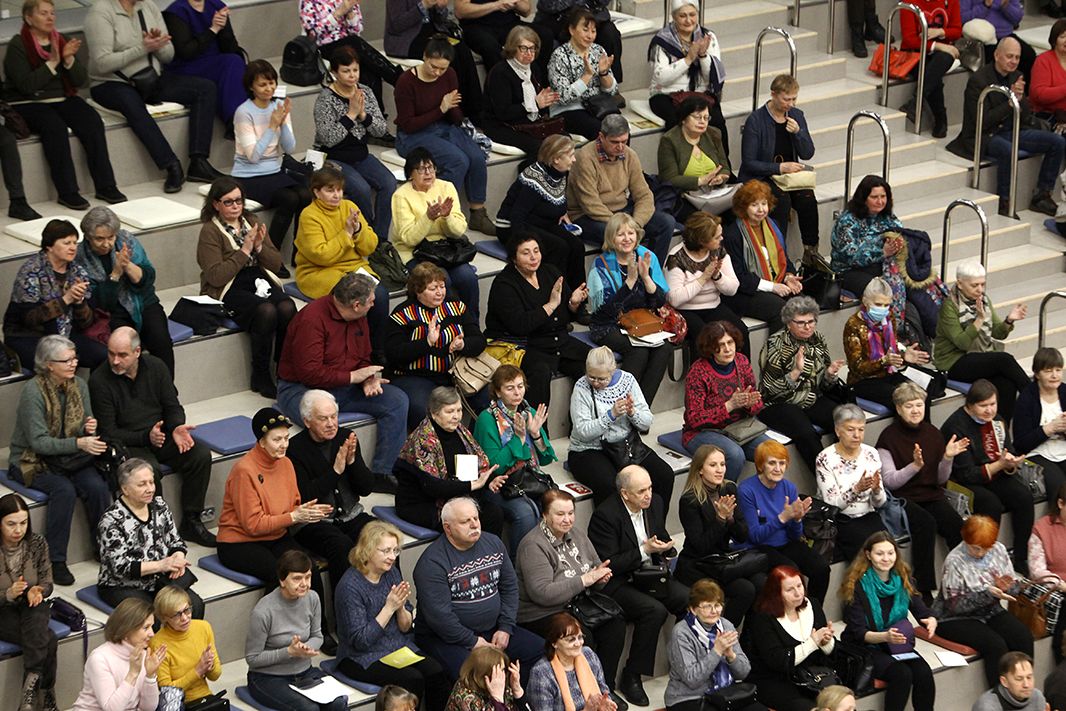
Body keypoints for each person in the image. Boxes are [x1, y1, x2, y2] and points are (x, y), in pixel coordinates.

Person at [276, 272, 409, 487]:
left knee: (397, 400)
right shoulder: (311, 320)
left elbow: (363, 355)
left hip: (345, 385)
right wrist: (353, 377)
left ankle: (383, 473)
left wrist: (368, 378)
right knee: (322, 416)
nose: (374, 304)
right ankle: (327, 482)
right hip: (301, 389)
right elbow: (309, 373)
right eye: (371, 301)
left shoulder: (360, 317)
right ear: (356, 305)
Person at [89, 327, 214, 546]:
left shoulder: (156, 367)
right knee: (148, 472)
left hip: (161, 435)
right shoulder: (99, 380)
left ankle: (192, 520)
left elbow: (172, 406)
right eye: (111, 353)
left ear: (137, 352)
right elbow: (109, 432)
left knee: (200, 455)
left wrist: (176, 427)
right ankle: (157, 530)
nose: (115, 361)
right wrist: (146, 437)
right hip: (129, 443)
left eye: (122, 355)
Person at [85, 0, 223, 193]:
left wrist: (158, 46)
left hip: (151, 78)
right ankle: (171, 165)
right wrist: (142, 48)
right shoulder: (100, 12)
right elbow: (102, 63)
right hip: (111, 83)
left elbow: (168, 56)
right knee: (132, 103)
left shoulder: (148, 7)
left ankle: (198, 161)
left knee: (205, 88)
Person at [7, 335, 111, 586]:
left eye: (74, 358)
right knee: (63, 490)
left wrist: (89, 428)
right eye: (67, 360)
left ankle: (103, 547)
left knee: (97, 487)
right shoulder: (33, 392)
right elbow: (39, 443)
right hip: (32, 459)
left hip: (69, 458)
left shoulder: (79, 385)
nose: (74, 364)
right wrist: (79, 443)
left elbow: (86, 425)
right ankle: (55, 560)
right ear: (49, 365)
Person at [4, 0, 124, 210]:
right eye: (43, 13)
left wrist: (68, 60)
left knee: (91, 120)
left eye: (52, 13)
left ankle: (106, 185)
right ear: (29, 18)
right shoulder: (18, 45)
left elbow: (80, 82)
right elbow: (26, 86)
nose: (50, 18)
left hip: (62, 98)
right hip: (28, 102)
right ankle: (67, 192)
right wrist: (52, 62)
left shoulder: (61, 40)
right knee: (54, 127)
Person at [216, 408, 333, 623]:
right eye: (277, 439)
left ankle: (320, 631)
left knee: (308, 569)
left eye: (286, 438)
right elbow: (253, 525)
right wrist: (294, 517)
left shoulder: (286, 464)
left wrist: (306, 512)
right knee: (279, 574)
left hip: (275, 535)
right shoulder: (244, 470)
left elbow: (292, 504)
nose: (284, 444)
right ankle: (273, 633)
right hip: (239, 543)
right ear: (261, 441)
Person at [588, 465, 689, 707]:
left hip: (649, 573)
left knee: (688, 599)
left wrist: (666, 547)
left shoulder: (655, 503)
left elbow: (660, 534)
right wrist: (645, 550)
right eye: (641, 491)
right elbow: (610, 563)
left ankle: (686, 661)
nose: (648, 495)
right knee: (654, 610)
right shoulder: (605, 516)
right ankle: (632, 675)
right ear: (625, 494)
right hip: (618, 581)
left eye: (650, 488)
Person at [413, 497, 544, 682]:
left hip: (493, 629)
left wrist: (505, 628)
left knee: (540, 651)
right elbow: (440, 618)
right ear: (447, 528)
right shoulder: (432, 563)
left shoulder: (494, 543)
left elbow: (509, 587)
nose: (474, 525)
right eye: (465, 521)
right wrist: (472, 641)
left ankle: (515, 695)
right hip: (446, 638)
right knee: (474, 672)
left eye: (476, 518)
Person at [515, 489, 625, 707]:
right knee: (582, 636)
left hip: (575, 603)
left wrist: (600, 577)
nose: (567, 519)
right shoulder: (533, 545)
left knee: (615, 624)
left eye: (571, 513)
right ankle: (583, 697)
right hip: (541, 612)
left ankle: (605, 690)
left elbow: (594, 567)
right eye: (560, 514)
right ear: (544, 515)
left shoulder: (577, 534)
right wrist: (585, 580)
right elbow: (542, 593)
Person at [334, 521, 451, 708]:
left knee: (435, 672)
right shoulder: (350, 587)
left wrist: (401, 608)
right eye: (386, 551)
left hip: (396, 646)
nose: (392, 557)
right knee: (412, 679)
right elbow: (361, 641)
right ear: (367, 550)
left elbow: (405, 628)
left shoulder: (392, 573)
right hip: (360, 657)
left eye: (395, 550)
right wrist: (388, 608)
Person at [197, 178, 295, 398]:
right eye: (228, 202)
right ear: (216, 204)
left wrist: (259, 246)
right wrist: (244, 251)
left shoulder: (252, 220)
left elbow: (275, 264)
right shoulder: (210, 231)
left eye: (239, 201)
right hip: (228, 286)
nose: (235, 206)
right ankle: (260, 373)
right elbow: (216, 276)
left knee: (287, 306)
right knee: (266, 311)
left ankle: (283, 369)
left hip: (258, 278)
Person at [947, 37, 1065, 216]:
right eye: (1009, 56)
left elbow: (1025, 117)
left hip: (1011, 129)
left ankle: (1043, 194)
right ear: (997, 55)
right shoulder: (978, 80)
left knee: (1057, 142)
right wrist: (1010, 103)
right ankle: (1004, 201)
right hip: (984, 134)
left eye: (1017, 57)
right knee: (1007, 150)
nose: (1014, 61)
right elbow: (981, 121)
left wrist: (1021, 99)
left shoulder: (1016, 76)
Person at [393, 37, 496, 235]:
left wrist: (458, 117)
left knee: (476, 156)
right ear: (425, 57)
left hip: (442, 126)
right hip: (412, 135)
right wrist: (441, 108)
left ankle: (478, 213)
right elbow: (408, 124)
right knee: (458, 160)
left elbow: (453, 111)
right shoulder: (406, 82)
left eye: (442, 68)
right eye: (434, 67)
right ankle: (444, 214)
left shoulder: (449, 74)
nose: (437, 73)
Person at [877, 382, 969, 598]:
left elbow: (940, 479)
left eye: (919, 405)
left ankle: (960, 580)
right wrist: (914, 466)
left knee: (957, 525)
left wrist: (947, 458)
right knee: (926, 524)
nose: (915, 410)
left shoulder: (933, 433)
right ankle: (923, 589)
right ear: (899, 409)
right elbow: (890, 482)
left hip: (931, 493)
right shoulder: (888, 438)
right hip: (902, 498)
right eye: (909, 406)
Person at [484, 228, 591, 408]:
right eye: (526, 253)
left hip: (556, 340)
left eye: (536, 251)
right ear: (514, 258)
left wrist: (573, 303)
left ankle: (583, 419)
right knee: (540, 371)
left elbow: (563, 317)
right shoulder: (504, 284)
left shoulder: (550, 272)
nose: (533, 257)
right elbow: (520, 325)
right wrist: (550, 305)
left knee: (592, 361)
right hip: (524, 345)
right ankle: (537, 424)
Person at [942, 380, 1036, 573]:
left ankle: (1021, 557)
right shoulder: (955, 427)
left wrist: (1011, 463)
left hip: (995, 473)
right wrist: (1000, 465)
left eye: (993, 404)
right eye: (983, 405)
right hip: (965, 481)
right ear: (970, 405)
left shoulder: (997, 421)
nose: (989, 410)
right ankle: (986, 561)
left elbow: (1007, 451)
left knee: (1024, 496)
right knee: (990, 503)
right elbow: (966, 473)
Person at [838, 532, 937, 711]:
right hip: (866, 646)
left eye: (890, 553)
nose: (886, 558)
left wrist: (931, 620)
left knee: (923, 672)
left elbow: (922, 611)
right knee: (902, 674)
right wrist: (885, 637)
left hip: (896, 644)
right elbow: (859, 633)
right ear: (868, 555)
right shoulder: (857, 585)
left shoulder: (902, 578)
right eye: (879, 553)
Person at [568, 346, 676, 509]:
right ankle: (610, 525)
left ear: (612, 371)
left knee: (664, 475)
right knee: (610, 485)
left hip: (625, 446)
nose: (596, 382)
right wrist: (610, 415)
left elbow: (646, 422)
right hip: (588, 450)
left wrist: (632, 413)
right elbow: (583, 431)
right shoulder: (581, 387)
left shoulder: (627, 380)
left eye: (601, 379)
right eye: (591, 377)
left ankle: (655, 522)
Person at [385, 262, 490, 428]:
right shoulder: (403, 314)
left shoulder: (456, 307)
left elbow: (479, 340)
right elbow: (394, 353)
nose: (440, 292)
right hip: (415, 376)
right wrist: (426, 342)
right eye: (433, 288)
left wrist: (463, 344)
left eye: (442, 286)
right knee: (425, 408)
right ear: (418, 290)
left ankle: (472, 441)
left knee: (488, 398)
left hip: (455, 373)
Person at [932, 515, 1034, 687]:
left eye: (986, 548)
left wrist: (1008, 587)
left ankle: (1024, 688)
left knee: (1022, 636)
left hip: (990, 610)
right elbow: (955, 606)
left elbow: (1015, 585)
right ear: (966, 540)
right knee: (995, 645)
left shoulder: (998, 549)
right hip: (953, 618)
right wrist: (989, 594)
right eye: (976, 548)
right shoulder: (954, 560)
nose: (981, 553)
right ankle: (998, 695)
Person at [96, 458, 204, 615]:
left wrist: (177, 559)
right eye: (142, 484)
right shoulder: (111, 520)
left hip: (160, 579)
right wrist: (161, 565)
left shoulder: (159, 505)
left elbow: (176, 541)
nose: (150, 489)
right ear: (125, 489)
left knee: (194, 605)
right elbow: (120, 567)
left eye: (151, 482)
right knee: (153, 615)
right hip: (123, 585)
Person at [394, 387, 506, 536]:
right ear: (434, 414)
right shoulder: (423, 440)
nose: (456, 416)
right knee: (463, 521)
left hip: (455, 495)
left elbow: (475, 465)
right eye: (450, 411)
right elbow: (433, 487)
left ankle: (489, 551)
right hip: (424, 503)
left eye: (459, 410)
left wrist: (488, 481)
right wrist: (473, 485)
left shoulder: (460, 432)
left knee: (494, 513)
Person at [232, 59, 313, 263]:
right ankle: (271, 257)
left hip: (274, 170)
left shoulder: (278, 106)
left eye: (271, 83)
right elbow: (253, 156)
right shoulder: (243, 112)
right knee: (289, 199)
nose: (269, 88)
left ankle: (299, 254)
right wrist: (272, 126)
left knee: (305, 194)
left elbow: (290, 148)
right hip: (248, 175)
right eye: (262, 84)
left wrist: (283, 122)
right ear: (251, 87)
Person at [75, 207, 173, 377]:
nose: (107, 244)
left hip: (143, 302)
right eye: (99, 239)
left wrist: (127, 265)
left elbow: (148, 278)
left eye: (111, 237)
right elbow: (101, 303)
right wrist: (115, 273)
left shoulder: (126, 240)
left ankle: (167, 388)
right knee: (123, 347)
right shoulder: (81, 257)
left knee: (160, 339)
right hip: (111, 313)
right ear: (88, 237)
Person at [586, 212, 672, 406]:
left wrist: (646, 277)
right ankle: (621, 406)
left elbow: (658, 302)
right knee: (638, 351)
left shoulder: (646, 257)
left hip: (639, 322)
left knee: (664, 349)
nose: (627, 239)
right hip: (608, 325)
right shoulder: (602, 264)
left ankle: (641, 408)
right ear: (611, 238)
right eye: (620, 234)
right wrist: (630, 282)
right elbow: (604, 311)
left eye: (631, 233)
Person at [288, 389, 376, 576]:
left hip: (350, 516)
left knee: (383, 538)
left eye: (334, 416)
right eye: (323, 419)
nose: (331, 424)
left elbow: (366, 488)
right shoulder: (295, 450)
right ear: (307, 421)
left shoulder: (346, 437)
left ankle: (394, 593)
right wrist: (335, 471)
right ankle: (345, 595)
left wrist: (353, 463)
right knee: (341, 546)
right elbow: (305, 496)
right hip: (314, 522)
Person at [676, 445, 767, 625]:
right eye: (713, 465)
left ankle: (750, 636)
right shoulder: (689, 500)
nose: (720, 470)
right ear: (700, 469)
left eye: (722, 464)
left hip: (721, 559)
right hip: (697, 564)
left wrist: (730, 518)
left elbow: (742, 536)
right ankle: (723, 634)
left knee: (761, 582)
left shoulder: (729, 489)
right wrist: (720, 519)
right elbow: (701, 545)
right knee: (745, 590)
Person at [293, 165, 390, 334]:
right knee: (354, 295)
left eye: (339, 190)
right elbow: (321, 256)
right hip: (320, 272)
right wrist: (346, 234)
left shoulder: (349, 206)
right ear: (316, 192)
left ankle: (377, 346)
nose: (336, 195)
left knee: (380, 295)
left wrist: (358, 230)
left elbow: (369, 247)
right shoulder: (309, 215)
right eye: (330, 190)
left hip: (354, 267)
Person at [245, 550, 346, 711]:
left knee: (339, 702)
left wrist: (305, 648)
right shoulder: (263, 611)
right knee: (309, 709)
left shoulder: (312, 598)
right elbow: (252, 658)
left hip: (304, 672)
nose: (304, 583)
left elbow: (317, 635)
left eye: (308, 577)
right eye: (297, 578)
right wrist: (289, 652)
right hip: (268, 677)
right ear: (282, 580)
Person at [567, 115, 675, 264]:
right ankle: (624, 274)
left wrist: (636, 224)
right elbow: (590, 204)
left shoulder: (629, 154)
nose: (620, 147)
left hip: (622, 211)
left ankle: (650, 272)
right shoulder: (585, 158)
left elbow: (644, 195)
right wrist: (624, 226)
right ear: (601, 137)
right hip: (587, 216)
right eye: (615, 142)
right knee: (619, 235)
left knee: (666, 222)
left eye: (624, 141)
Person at [312, 46, 397, 237]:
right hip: (334, 158)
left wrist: (363, 115)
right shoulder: (325, 99)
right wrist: (351, 115)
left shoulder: (365, 91)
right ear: (334, 73)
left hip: (361, 155)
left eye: (355, 70)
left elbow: (381, 129)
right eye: (346, 71)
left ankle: (380, 238)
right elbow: (328, 138)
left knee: (389, 182)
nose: (352, 75)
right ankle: (367, 235)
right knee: (361, 189)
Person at [757, 296, 847, 474]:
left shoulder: (817, 339)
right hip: (779, 403)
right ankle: (826, 478)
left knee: (843, 421)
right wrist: (795, 372)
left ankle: (849, 471)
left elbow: (823, 386)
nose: (807, 327)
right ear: (788, 323)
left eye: (811, 321)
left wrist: (829, 375)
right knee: (806, 434)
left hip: (810, 397)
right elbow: (768, 391)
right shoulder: (775, 345)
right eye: (801, 323)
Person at [3, 219, 107, 371]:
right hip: (30, 336)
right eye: (66, 243)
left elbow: (86, 323)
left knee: (103, 356)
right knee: (58, 363)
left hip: (66, 334)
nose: (73, 248)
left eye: (75, 243)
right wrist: (66, 299)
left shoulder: (78, 272)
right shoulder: (31, 271)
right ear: (49, 246)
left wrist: (79, 303)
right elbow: (29, 319)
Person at [472, 365, 554, 557]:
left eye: (520, 386)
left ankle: (554, 557)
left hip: (529, 479)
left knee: (557, 504)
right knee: (525, 513)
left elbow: (546, 458)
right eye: (510, 388)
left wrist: (535, 435)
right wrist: (518, 439)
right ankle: (521, 564)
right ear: (498, 392)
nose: (517, 392)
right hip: (499, 484)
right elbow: (496, 467)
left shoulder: (528, 411)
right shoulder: (487, 419)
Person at [934, 260, 1031, 422]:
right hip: (954, 362)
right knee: (1004, 359)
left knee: (1007, 384)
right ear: (960, 283)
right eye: (974, 285)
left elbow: (998, 333)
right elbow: (962, 343)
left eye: (982, 284)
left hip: (980, 357)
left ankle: (1001, 430)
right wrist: (979, 320)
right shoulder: (949, 306)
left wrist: (1009, 320)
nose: (980, 289)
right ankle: (1035, 398)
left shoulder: (984, 300)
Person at [739, 74, 819, 264]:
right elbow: (749, 162)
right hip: (763, 175)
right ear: (773, 95)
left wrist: (798, 133)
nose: (790, 104)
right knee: (781, 201)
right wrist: (779, 167)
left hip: (788, 176)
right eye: (786, 99)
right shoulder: (756, 120)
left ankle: (811, 252)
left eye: (793, 99)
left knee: (807, 199)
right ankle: (780, 254)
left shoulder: (796, 115)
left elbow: (808, 153)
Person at [736, 441, 830, 601]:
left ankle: (813, 611)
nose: (778, 468)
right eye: (772, 463)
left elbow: (795, 536)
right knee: (791, 572)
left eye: (782, 463)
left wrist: (797, 520)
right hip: (758, 548)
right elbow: (755, 537)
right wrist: (782, 518)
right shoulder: (746, 490)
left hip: (785, 543)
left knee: (821, 568)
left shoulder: (789, 488)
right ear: (761, 465)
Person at [390, 147, 481, 312]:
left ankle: (470, 323)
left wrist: (447, 217)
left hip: (445, 249)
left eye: (430, 167)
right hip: (415, 252)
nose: (428, 173)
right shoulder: (401, 195)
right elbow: (409, 239)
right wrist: (428, 218)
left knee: (468, 278)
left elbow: (459, 231)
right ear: (410, 174)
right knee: (442, 281)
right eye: (421, 169)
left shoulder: (446, 187)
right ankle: (445, 323)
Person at [684, 319, 771, 479]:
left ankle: (760, 492)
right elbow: (694, 419)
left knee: (772, 452)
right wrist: (729, 405)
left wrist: (749, 404)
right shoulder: (698, 372)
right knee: (734, 455)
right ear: (710, 348)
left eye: (730, 342)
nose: (728, 349)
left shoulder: (742, 361)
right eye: (721, 345)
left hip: (739, 427)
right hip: (703, 432)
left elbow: (756, 402)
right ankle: (725, 493)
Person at [495, 139, 586, 291]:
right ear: (556, 159)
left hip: (540, 222)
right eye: (570, 155)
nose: (574, 159)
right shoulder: (534, 179)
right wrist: (521, 244)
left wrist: (561, 213)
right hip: (512, 227)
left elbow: (557, 201)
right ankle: (558, 294)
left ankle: (578, 296)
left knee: (577, 245)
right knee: (559, 247)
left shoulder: (562, 172)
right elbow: (517, 215)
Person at [744, 565, 836, 711]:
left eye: (799, 586)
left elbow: (828, 653)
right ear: (776, 593)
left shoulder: (813, 604)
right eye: (789, 590)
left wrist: (826, 642)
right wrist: (812, 643)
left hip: (810, 675)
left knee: (841, 701)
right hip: (775, 680)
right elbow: (777, 661)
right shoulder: (762, 618)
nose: (798, 593)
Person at [664, 578, 765, 711]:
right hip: (688, 697)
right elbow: (692, 680)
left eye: (717, 605)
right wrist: (717, 651)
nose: (714, 611)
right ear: (693, 609)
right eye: (707, 606)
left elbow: (743, 673)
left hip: (724, 693)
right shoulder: (681, 633)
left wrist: (731, 655)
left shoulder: (726, 625)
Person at [721, 180, 803, 333]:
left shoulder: (774, 226)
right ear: (744, 207)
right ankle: (777, 349)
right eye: (754, 205)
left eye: (764, 204)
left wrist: (788, 277)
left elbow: (784, 258)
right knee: (782, 310)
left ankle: (800, 348)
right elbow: (739, 276)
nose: (761, 209)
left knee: (803, 304)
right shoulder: (733, 234)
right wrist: (772, 287)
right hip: (746, 292)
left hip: (775, 282)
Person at [0, 493, 57, 711]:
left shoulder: (37, 542)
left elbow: (47, 580)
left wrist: (38, 589)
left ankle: (30, 694)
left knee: (38, 607)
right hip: (2, 611)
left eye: (23, 523)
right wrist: (8, 594)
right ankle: (45, 696)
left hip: (29, 608)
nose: (18, 530)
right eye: (11, 524)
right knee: (48, 639)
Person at [648, 2, 729, 151]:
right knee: (676, 120)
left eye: (692, 15)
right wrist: (688, 59)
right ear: (674, 17)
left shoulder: (708, 37)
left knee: (717, 121)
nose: (688, 20)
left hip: (700, 93)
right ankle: (678, 162)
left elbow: (712, 78)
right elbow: (661, 77)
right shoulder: (662, 41)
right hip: (667, 94)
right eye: (682, 16)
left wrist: (703, 56)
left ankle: (722, 163)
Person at [843, 277, 931, 410]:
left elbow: (892, 351)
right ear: (865, 301)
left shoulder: (888, 317)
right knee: (903, 399)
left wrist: (904, 356)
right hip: (863, 381)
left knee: (922, 395)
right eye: (878, 304)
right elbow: (857, 367)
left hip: (888, 374)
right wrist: (884, 361)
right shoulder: (853, 325)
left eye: (886, 305)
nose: (883, 309)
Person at [664, 212, 747, 354]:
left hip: (714, 305)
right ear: (702, 240)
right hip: (686, 310)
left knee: (740, 331)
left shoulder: (718, 251)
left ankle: (742, 367)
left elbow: (733, 289)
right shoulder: (676, 257)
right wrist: (703, 278)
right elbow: (674, 299)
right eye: (717, 237)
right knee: (704, 338)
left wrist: (717, 276)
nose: (722, 238)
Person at [384, 0, 483, 120]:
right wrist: (423, 5)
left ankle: (474, 110)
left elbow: (441, 20)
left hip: (433, 32)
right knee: (445, 55)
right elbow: (396, 26)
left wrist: (441, 8)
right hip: (408, 39)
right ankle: (452, 113)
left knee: (462, 49)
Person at [299, 0, 400, 116]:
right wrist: (338, 13)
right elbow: (312, 34)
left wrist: (350, 12)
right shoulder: (308, 2)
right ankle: (396, 78)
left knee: (370, 70)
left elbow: (357, 30)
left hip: (352, 45)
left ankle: (377, 117)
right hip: (325, 46)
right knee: (356, 44)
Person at [815, 404, 889, 562]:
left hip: (870, 516)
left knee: (887, 550)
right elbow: (832, 505)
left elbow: (880, 503)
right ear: (838, 431)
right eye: (850, 430)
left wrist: (876, 490)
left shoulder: (871, 454)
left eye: (861, 429)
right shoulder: (825, 458)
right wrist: (856, 489)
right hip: (842, 520)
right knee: (870, 554)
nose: (857, 435)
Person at [162, 0, 246, 128]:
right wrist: (213, 30)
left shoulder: (216, 6)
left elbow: (230, 48)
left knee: (236, 62)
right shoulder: (176, 11)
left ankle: (242, 119)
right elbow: (186, 52)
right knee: (231, 63)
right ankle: (236, 122)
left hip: (215, 63)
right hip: (186, 67)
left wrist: (223, 29)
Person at [481, 25, 562, 158]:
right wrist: (535, 104)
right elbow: (503, 113)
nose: (529, 53)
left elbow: (539, 104)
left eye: (532, 48)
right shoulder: (500, 73)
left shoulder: (534, 68)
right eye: (524, 48)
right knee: (541, 147)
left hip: (527, 122)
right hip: (501, 125)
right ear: (513, 48)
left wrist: (545, 103)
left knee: (563, 139)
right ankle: (528, 171)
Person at [70, 598, 164, 711]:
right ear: (127, 629)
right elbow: (111, 708)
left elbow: (148, 708)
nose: (152, 634)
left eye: (151, 627)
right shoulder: (100, 658)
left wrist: (150, 676)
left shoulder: (143, 655)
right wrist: (133, 674)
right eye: (146, 628)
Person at [657, 96, 735, 220]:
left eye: (706, 118)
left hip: (713, 192)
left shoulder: (713, 134)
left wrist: (721, 177)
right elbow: (669, 179)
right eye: (698, 117)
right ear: (684, 119)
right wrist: (700, 181)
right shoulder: (669, 140)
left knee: (741, 208)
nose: (703, 122)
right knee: (705, 221)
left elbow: (725, 166)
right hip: (685, 197)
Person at [546, 8, 619, 140]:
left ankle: (619, 155)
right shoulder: (559, 56)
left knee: (621, 128)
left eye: (593, 31)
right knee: (600, 130)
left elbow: (612, 90)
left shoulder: (598, 50)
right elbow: (562, 97)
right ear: (572, 30)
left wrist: (603, 73)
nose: (590, 36)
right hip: (568, 110)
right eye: (585, 30)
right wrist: (586, 76)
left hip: (597, 106)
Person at [526, 612, 618, 711]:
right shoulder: (541, 673)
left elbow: (603, 687)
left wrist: (605, 702)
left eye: (580, 637)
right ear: (554, 643)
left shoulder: (588, 655)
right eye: (571, 640)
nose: (578, 644)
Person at [830, 175, 903, 298]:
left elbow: (901, 232)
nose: (880, 201)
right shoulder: (847, 221)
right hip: (848, 271)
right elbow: (851, 257)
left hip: (880, 265)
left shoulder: (887, 217)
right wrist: (882, 252)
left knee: (913, 283)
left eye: (883, 196)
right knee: (880, 290)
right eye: (874, 197)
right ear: (863, 198)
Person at [148, 585, 221, 705]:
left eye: (187, 610)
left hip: (205, 699)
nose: (184, 618)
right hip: (178, 705)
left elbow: (215, 676)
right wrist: (197, 671)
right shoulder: (157, 643)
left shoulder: (203, 627)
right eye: (176, 615)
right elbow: (168, 693)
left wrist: (210, 665)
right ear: (164, 618)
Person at [898, 0, 959, 138]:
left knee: (943, 60)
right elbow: (909, 39)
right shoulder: (908, 2)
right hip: (915, 53)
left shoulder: (951, 1)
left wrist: (940, 32)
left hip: (941, 55)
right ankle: (940, 118)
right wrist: (938, 45)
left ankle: (916, 102)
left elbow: (957, 30)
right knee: (932, 73)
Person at [1015, 347, 1066, 500]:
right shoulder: (1027, 398)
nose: (1054, 375)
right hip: (1038, 452)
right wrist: (1048, 429)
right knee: (1059, 485)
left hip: (1063, 448)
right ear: (1037, 374)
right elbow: (1021, 444)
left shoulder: (1065, 392)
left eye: (1058, 370)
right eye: (1048, 371)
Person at [535, 0, 623, 83]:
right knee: (549, 39)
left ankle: (611, 83)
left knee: (609, 34)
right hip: (558, 18)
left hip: (592, 13)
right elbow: (547, 5)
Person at [1029, 483, 1066, 663]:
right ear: (1061, 503)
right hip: (1055, 590)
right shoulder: (1042, 528)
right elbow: (1037, 571)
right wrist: (1061, 585)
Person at [961, 0, 1035, 81]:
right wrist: (985, 5)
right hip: (983, 40)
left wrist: (1005, 5)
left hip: (1006, 35)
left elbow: (1017, 19)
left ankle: (1020, 87)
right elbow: (963, 18)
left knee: (1028, 55)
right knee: (994, 60)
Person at [444, 646, 531, 711]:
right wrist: (498, 699)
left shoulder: (502, 685)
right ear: (485, 675)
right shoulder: (466, 697)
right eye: (498, 672)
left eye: (503, 670)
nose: (503, 676)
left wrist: (517, 691)